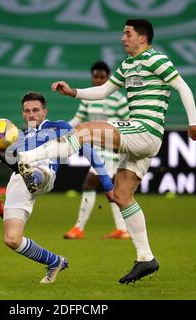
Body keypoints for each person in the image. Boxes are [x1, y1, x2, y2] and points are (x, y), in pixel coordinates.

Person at [17, 19, 196, 284]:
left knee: (82, 131)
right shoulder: (127, 65)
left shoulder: (156, 59)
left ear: (143, 37)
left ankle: (27, 158)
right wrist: (74, 92)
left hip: (145, 129)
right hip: (142, 137)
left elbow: (182, 86)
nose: (122, 38)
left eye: (127, 34)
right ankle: (145, 258)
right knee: (121, 194)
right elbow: (105, 90)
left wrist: (193, 123)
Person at [0, 92, 114, 283]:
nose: (31, 114)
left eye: (35, 110)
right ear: (23, 114)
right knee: (12, 239)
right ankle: (55, 262)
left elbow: (88, 151)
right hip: (19, 180)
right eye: (27, 111)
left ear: (45, 111)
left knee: (37, 170)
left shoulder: (58, 127)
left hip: (45, 174)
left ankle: (31, 174)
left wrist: (107, 183)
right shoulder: (18, 136)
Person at [64, 60, 130, 240]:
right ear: (92, 78)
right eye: (96, 77)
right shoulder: (88, 99)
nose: (99, 80)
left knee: (89, 184)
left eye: (102, 77)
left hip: (112, 151)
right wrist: (61, 130)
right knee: (112, 192)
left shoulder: (119, 99)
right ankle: (122, 229)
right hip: (97, 149)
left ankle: (78, 228)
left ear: (108, 78)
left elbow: (130, 123)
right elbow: (77, 119)